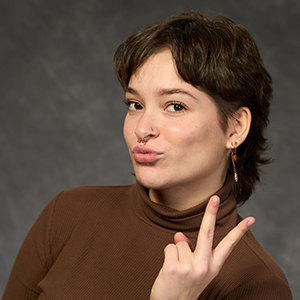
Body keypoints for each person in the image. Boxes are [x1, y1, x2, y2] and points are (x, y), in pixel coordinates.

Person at [2, 10, 292, 300]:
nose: (142, 128)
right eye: (135, 104)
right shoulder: (67, 214)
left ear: (235, 127)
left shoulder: (257, 284)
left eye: (175, 106)